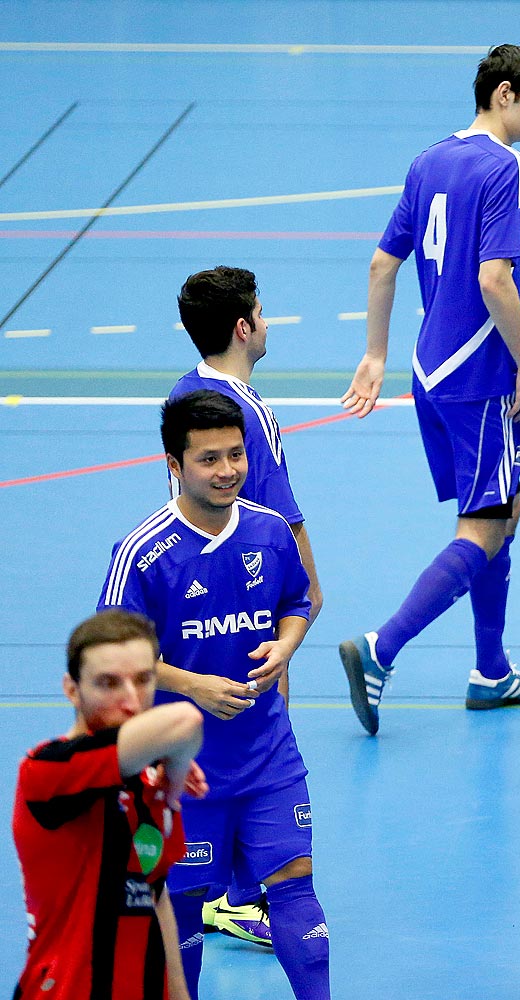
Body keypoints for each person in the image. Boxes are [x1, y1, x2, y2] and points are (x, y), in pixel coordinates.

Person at [337, 43, 520, 734]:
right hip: (481, 373)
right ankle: (381, 649)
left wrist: (374, 354)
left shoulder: (429, 159)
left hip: (428, 367)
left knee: (501, 508)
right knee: (485, 523)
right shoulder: (508, 167)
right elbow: (496, 280)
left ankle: (490, 670)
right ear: (501, 94)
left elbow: (382, 263)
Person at [98, 390, 329, 999]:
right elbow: (114, 655)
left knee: (297, 890)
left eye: (236, 455)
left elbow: (297, 603)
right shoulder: (143, 553)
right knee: (185, 910)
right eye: (208, 459)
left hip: (269, 755)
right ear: (174, 464)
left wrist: (287, 645)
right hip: (184, 771)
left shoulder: (270, 531)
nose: (227, 471)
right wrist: (192, 684)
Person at [174, 264, 325, 947]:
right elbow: (280, 513)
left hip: (195, 583)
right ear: (243, 327)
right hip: (250, 582)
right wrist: (309, 592)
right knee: (264, 715)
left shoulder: (185, 395)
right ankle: (240, 894)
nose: (267, 321)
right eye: (262, 311)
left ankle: (223, 884)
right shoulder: (249, 411)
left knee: (219, 725)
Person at [12, 609, 206, 1000]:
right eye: (108, 684)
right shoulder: (49, 770)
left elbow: (155, 892)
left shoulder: (150, 780)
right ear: (72, 689)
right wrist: (177, 765)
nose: (131, 701)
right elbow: (185, 720)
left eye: (142, 680)